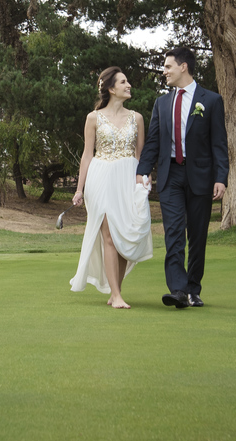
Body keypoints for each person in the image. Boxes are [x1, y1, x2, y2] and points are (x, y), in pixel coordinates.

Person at [136, 47, 229, 309]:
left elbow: (219, 143)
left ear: (183, 67)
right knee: (174, 232)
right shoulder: (162, 103)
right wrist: (142, 171)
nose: (164, 71)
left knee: (197, 235)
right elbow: (153, 141)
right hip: (170, 176)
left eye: (168, 66)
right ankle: (177, 290)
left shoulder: (211, 100)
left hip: (201, 176)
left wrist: (221, 177)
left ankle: (193, 289)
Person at [69, 67, 154, 308]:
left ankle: (116, 290)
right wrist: (79, 189)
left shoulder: (137, 118)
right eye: (123, 82)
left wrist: (144, 179)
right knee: (109, 236)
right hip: (101, 179)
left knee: (125, 235)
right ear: (111, 88)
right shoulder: (93, 118)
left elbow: (140, 155)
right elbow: (87, 155)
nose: (129, 85)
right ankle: (116, 295)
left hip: (127, 179)